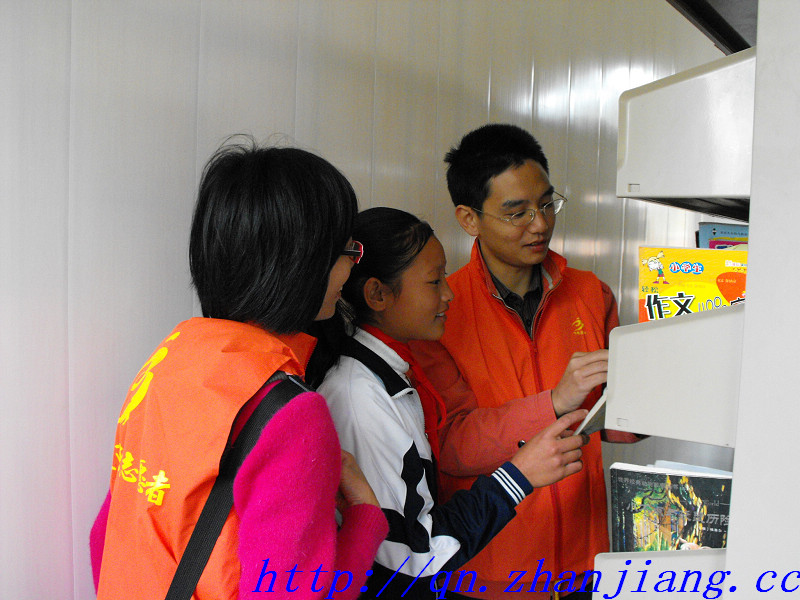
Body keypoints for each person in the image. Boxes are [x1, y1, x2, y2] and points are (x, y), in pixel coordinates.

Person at [90, 138, 389, 600]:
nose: (350, 267)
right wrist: (367, 517)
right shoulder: (291, 413)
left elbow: (107, 536)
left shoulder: (170, 359)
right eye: (347, 249)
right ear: (302, 262)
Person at [307, 207, 589, 599]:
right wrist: (519, 476)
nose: (448, 293)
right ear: (378, 294)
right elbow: (413, 554)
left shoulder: (393, 374)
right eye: (433, 281)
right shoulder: (359, 396)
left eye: (545, 205)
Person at [409, 124, 640, 599]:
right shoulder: (441, 313)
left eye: (547, 204)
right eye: (517, 213)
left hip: (584, 564)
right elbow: (451, 445)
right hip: (490, 572)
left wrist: (667, 391)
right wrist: (554, 402)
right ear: (469, 218)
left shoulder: (590, 293)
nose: (540, 224)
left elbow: (617, 426)